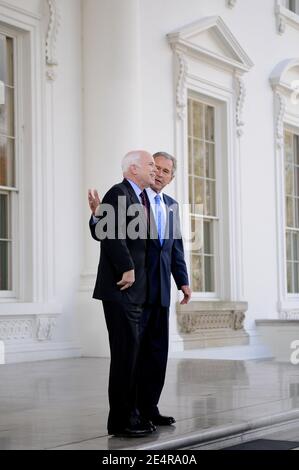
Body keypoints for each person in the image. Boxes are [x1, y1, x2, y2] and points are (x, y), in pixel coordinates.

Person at [88, 150, 156, 438]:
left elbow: (104, 230)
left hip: (136, 292)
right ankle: (121, 422)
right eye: (150, 164)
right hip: (121, 289)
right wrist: (127, 267)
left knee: (132, 357)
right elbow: (111, 235)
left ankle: (133, 415)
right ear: (133, 168)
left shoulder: (139, 198)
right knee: (124, 357)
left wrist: (98, 216)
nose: (154, 169)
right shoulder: (119, 192)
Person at [136, 152, 191, 426]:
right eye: (155, 167)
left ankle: (150, 408)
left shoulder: (171, 205)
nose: (159, 173)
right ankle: (132, 411)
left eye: (165, 171)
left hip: (162, 292)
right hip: (136, 292)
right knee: (136, 352)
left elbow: (175, 249)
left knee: (157, 353)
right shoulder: (135, 198)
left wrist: (183, 281)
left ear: (171, 178)